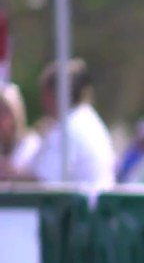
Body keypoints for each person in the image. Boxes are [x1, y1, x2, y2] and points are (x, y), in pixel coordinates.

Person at [0, 59, 116, 188]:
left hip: (82, 206)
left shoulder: (68, 129)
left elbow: (42, 181)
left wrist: (5, 174)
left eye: (44, 93)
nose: (42, 101)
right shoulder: (84, 119)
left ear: (53, 94)